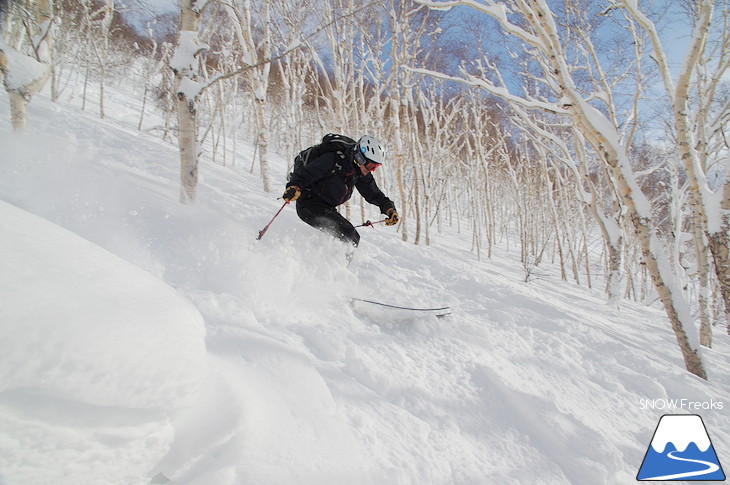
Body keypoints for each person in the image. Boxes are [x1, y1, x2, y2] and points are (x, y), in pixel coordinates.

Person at [282, 135, 399, 254]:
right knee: (349, 235)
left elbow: (372, 192)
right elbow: (306, 175)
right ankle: (336, 268)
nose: (372, 170)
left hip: (327, 208)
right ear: (360, 158)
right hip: (309, 205)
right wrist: (293, 187)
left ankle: (327, 264)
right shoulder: (332, 160)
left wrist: (388, 208)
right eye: (371, 166)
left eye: (376, 167)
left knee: (351, 237)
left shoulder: (359, 171)